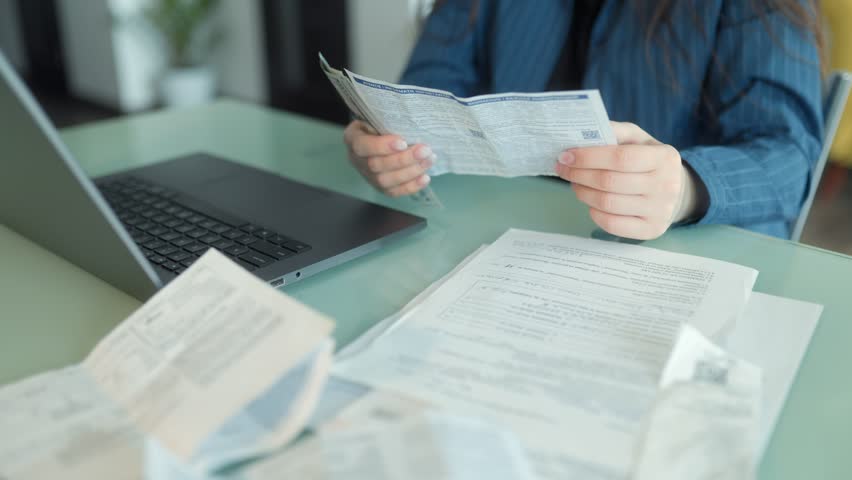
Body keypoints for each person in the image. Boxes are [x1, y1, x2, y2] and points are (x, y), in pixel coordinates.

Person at [343, 0, 824, 240]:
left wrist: (684, 189)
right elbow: (430, 87)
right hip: (499, 240)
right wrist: (386, 143)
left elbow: (788, 156)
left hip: (671, 257)